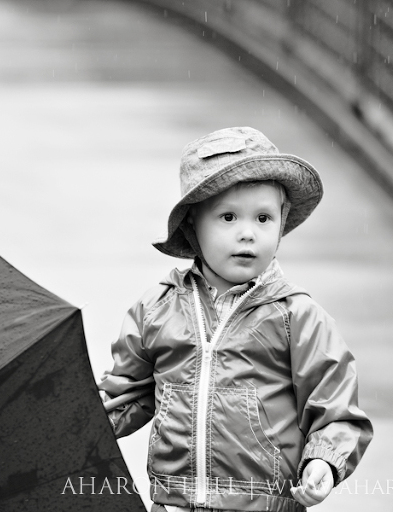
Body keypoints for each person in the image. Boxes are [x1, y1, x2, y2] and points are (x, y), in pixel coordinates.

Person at [98, 126, 373, 512]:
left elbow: (336, 408)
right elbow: (126, 393)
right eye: (228, 217)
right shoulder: (158, 308)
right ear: (193, 223)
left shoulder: (296, 316)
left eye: (263, 218)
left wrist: (324, 460)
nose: (247, 233)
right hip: (173, 504)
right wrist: (81, 418)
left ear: (283, 219)